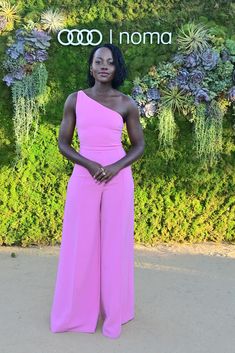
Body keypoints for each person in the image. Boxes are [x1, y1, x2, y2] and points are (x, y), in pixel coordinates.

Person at [50, 43, 145, 339]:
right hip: (84, 176)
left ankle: (116, 310)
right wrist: (88, 163)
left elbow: (139, 145)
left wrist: (116, 167)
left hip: (118, 179)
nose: (104, 66)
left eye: (110, 62)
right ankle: (77, 313)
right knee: (81, 243)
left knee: (115, 246)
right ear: (91, 67)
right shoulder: (74, 100)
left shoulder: (127, 103)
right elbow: (64, 143)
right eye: (98, 61)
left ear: (117, 68)